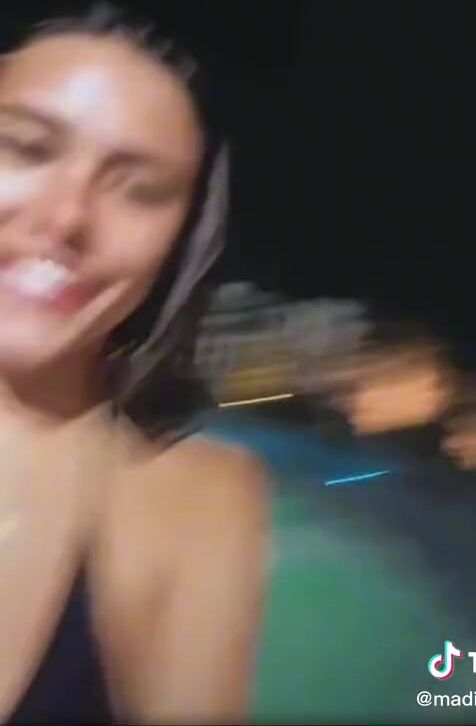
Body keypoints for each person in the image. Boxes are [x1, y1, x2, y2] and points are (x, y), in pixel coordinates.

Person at [0, 4, 269, 724]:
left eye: (139, 190)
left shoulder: (197, 503)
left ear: (178, 249)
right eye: (25, 148)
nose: (67, 217)